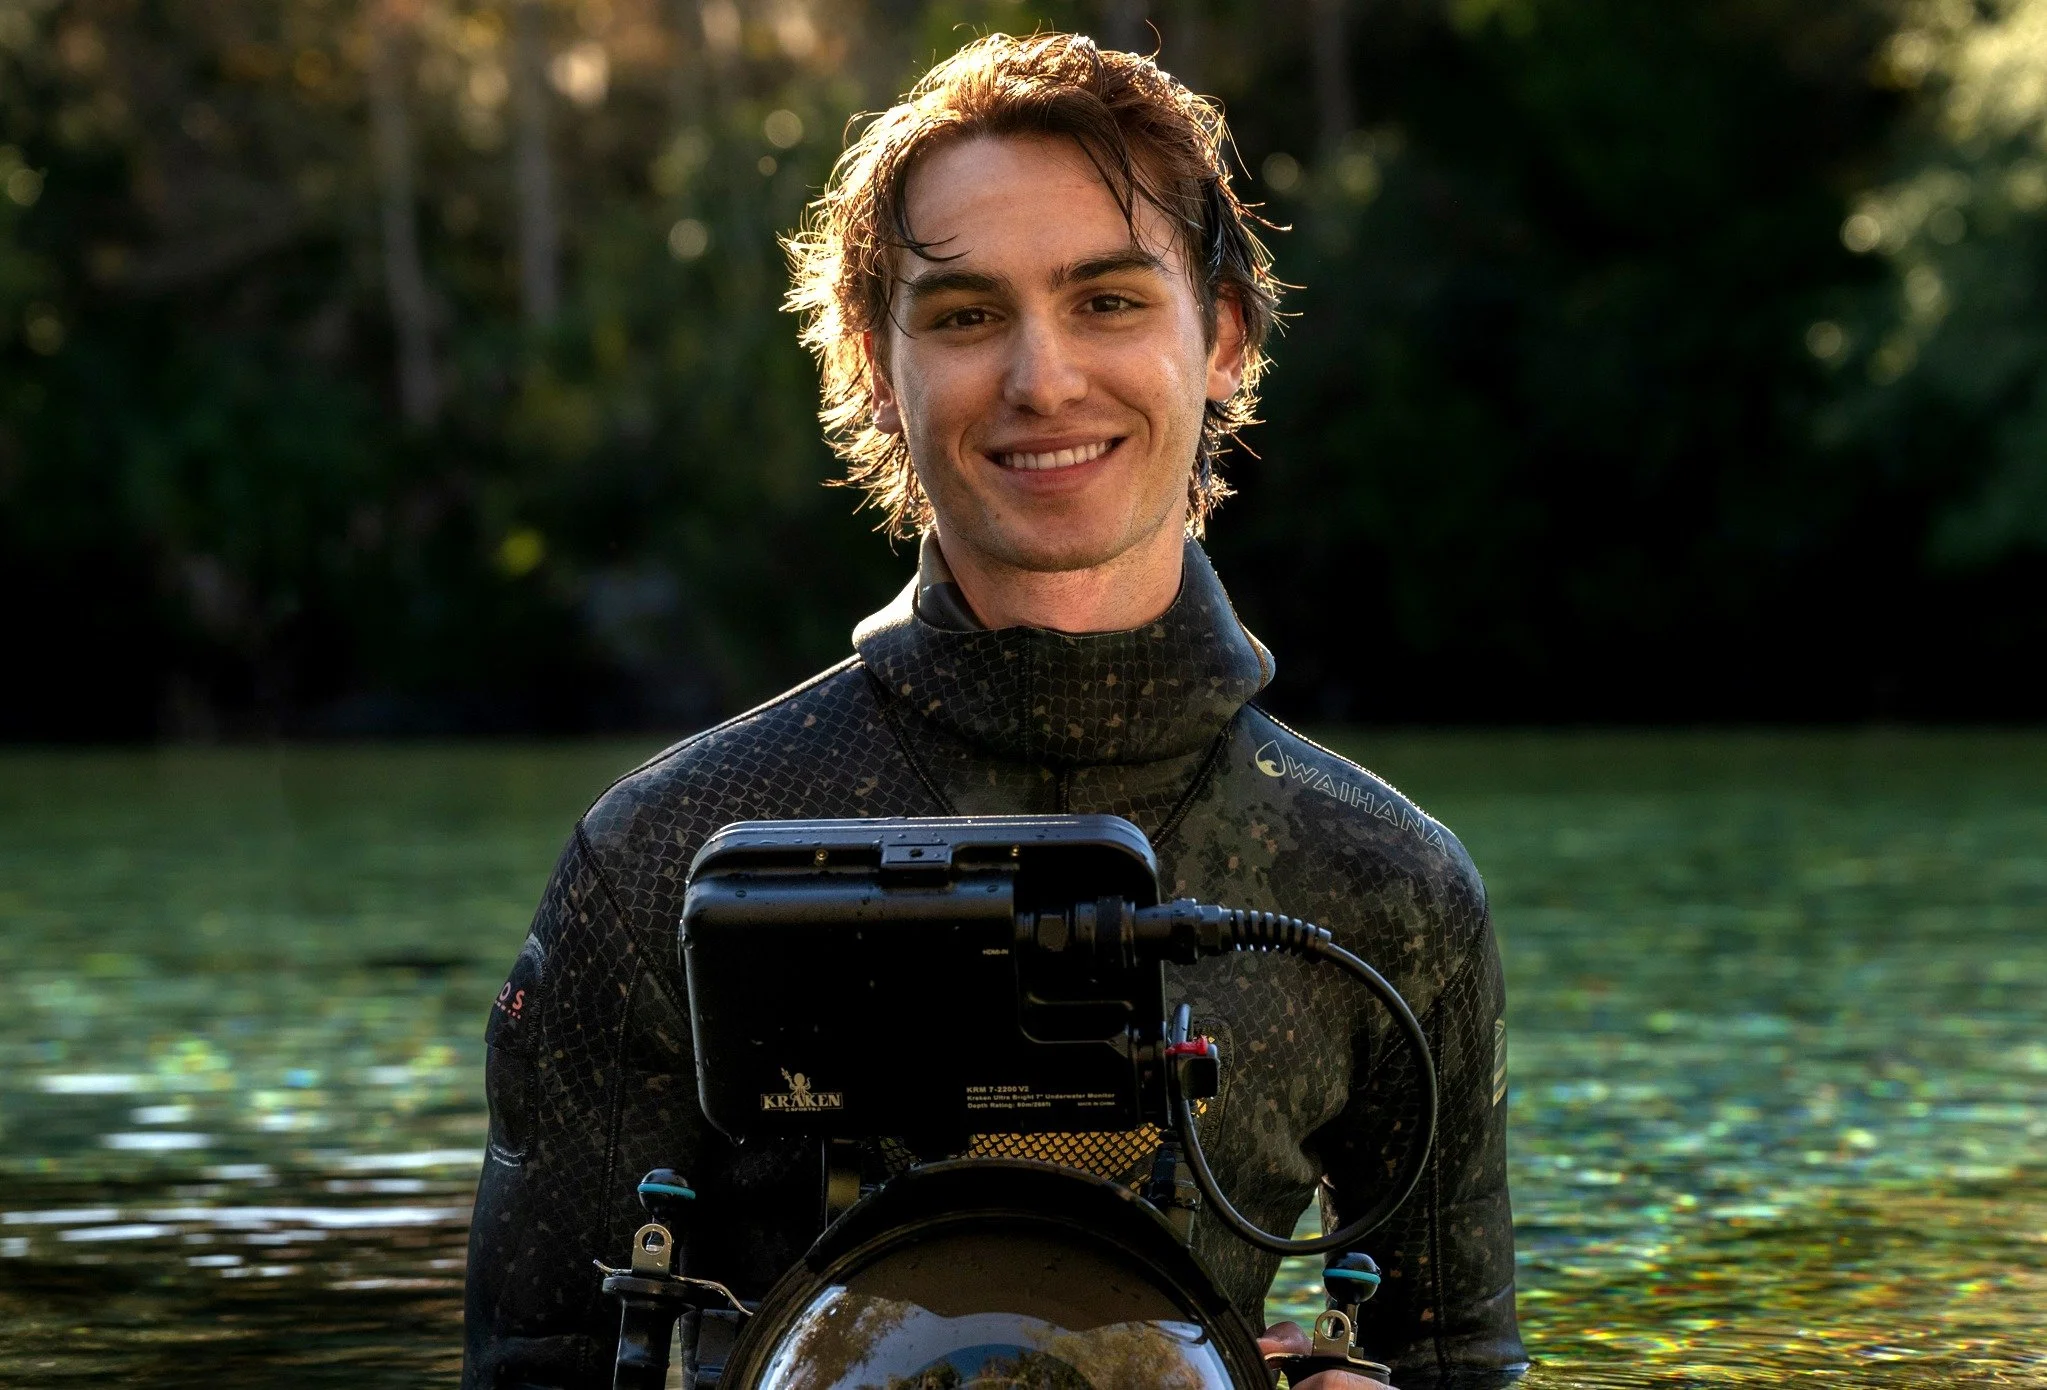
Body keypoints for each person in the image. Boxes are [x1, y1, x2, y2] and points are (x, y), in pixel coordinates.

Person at [463, 32, 1524, 1389]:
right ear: (874, 361)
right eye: (965, 314)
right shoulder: (662, 855)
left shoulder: (1388, 885)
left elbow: (1457, 1356)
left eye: (1107, 301)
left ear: (1225, 335)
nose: (1040, 380)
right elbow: (532, 1360)